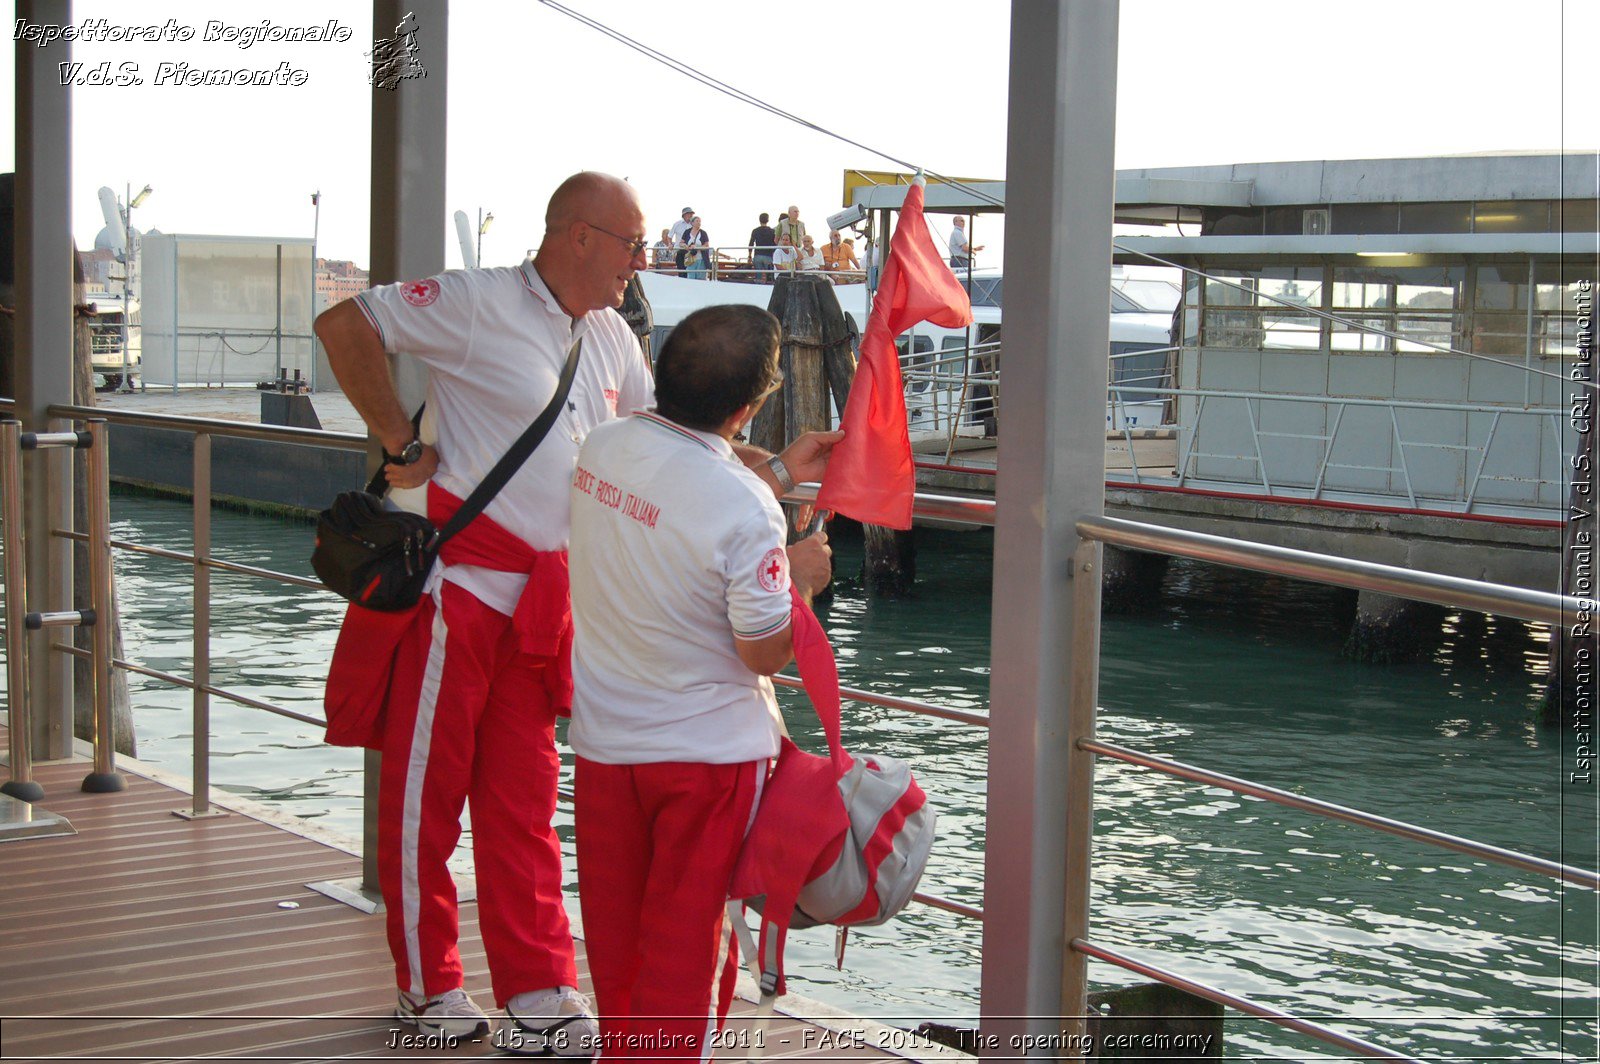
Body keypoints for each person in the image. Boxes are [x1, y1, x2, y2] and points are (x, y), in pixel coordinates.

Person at [315, 171, 840, 1053]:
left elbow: (676, 450)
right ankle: (428, 984)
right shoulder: (477, 301)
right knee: (425, 801)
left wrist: (781, 472)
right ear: (578, 236)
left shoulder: (609, 340)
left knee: (521, 808)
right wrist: (401, 446)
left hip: (544, 608)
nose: (643, 261)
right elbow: (346, 324)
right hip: (460, 592)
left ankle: (540, 987)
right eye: (633, 244)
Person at [567, 304, 834, 1062]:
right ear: (750, 407)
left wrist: (778, 472)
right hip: (705, 762)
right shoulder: (744, 506)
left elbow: (677, 478)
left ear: (662, 370)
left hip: (605, 743)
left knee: (619, 947)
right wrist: (803, 582)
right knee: (685, 951)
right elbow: (763, 653)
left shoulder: (602, 447)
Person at [748, 212, 777, 283]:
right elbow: (774, 245)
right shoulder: (772, 231)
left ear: (759, 220)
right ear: (768, 220)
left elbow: (751, 243)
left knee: (758, 276)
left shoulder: (755, 231)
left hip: (758, 255)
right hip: (768, 256)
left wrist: (749, 255)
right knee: (770, 276)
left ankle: (758, 287)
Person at [680, 215, 711, 280]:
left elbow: (707, 245)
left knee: (701, 279)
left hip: (701, 259)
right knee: (690, 277)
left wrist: (697, 247)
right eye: (697, 221)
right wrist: (685, 246)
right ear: (692, 223)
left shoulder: (703, 233)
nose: (699, 223)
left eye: (700, 221)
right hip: (690, 259)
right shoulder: (687, 232)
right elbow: (681, 243)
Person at [671, 206, 694, 274]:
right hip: (679, 251)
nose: (690, 215)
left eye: (691, 214)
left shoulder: (694, 225)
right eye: (689, 213)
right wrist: (670, 244)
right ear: (684, 215)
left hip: (690, 252)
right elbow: (670, 236)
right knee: (681, 271)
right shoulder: (677, 224)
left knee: (689, 272)